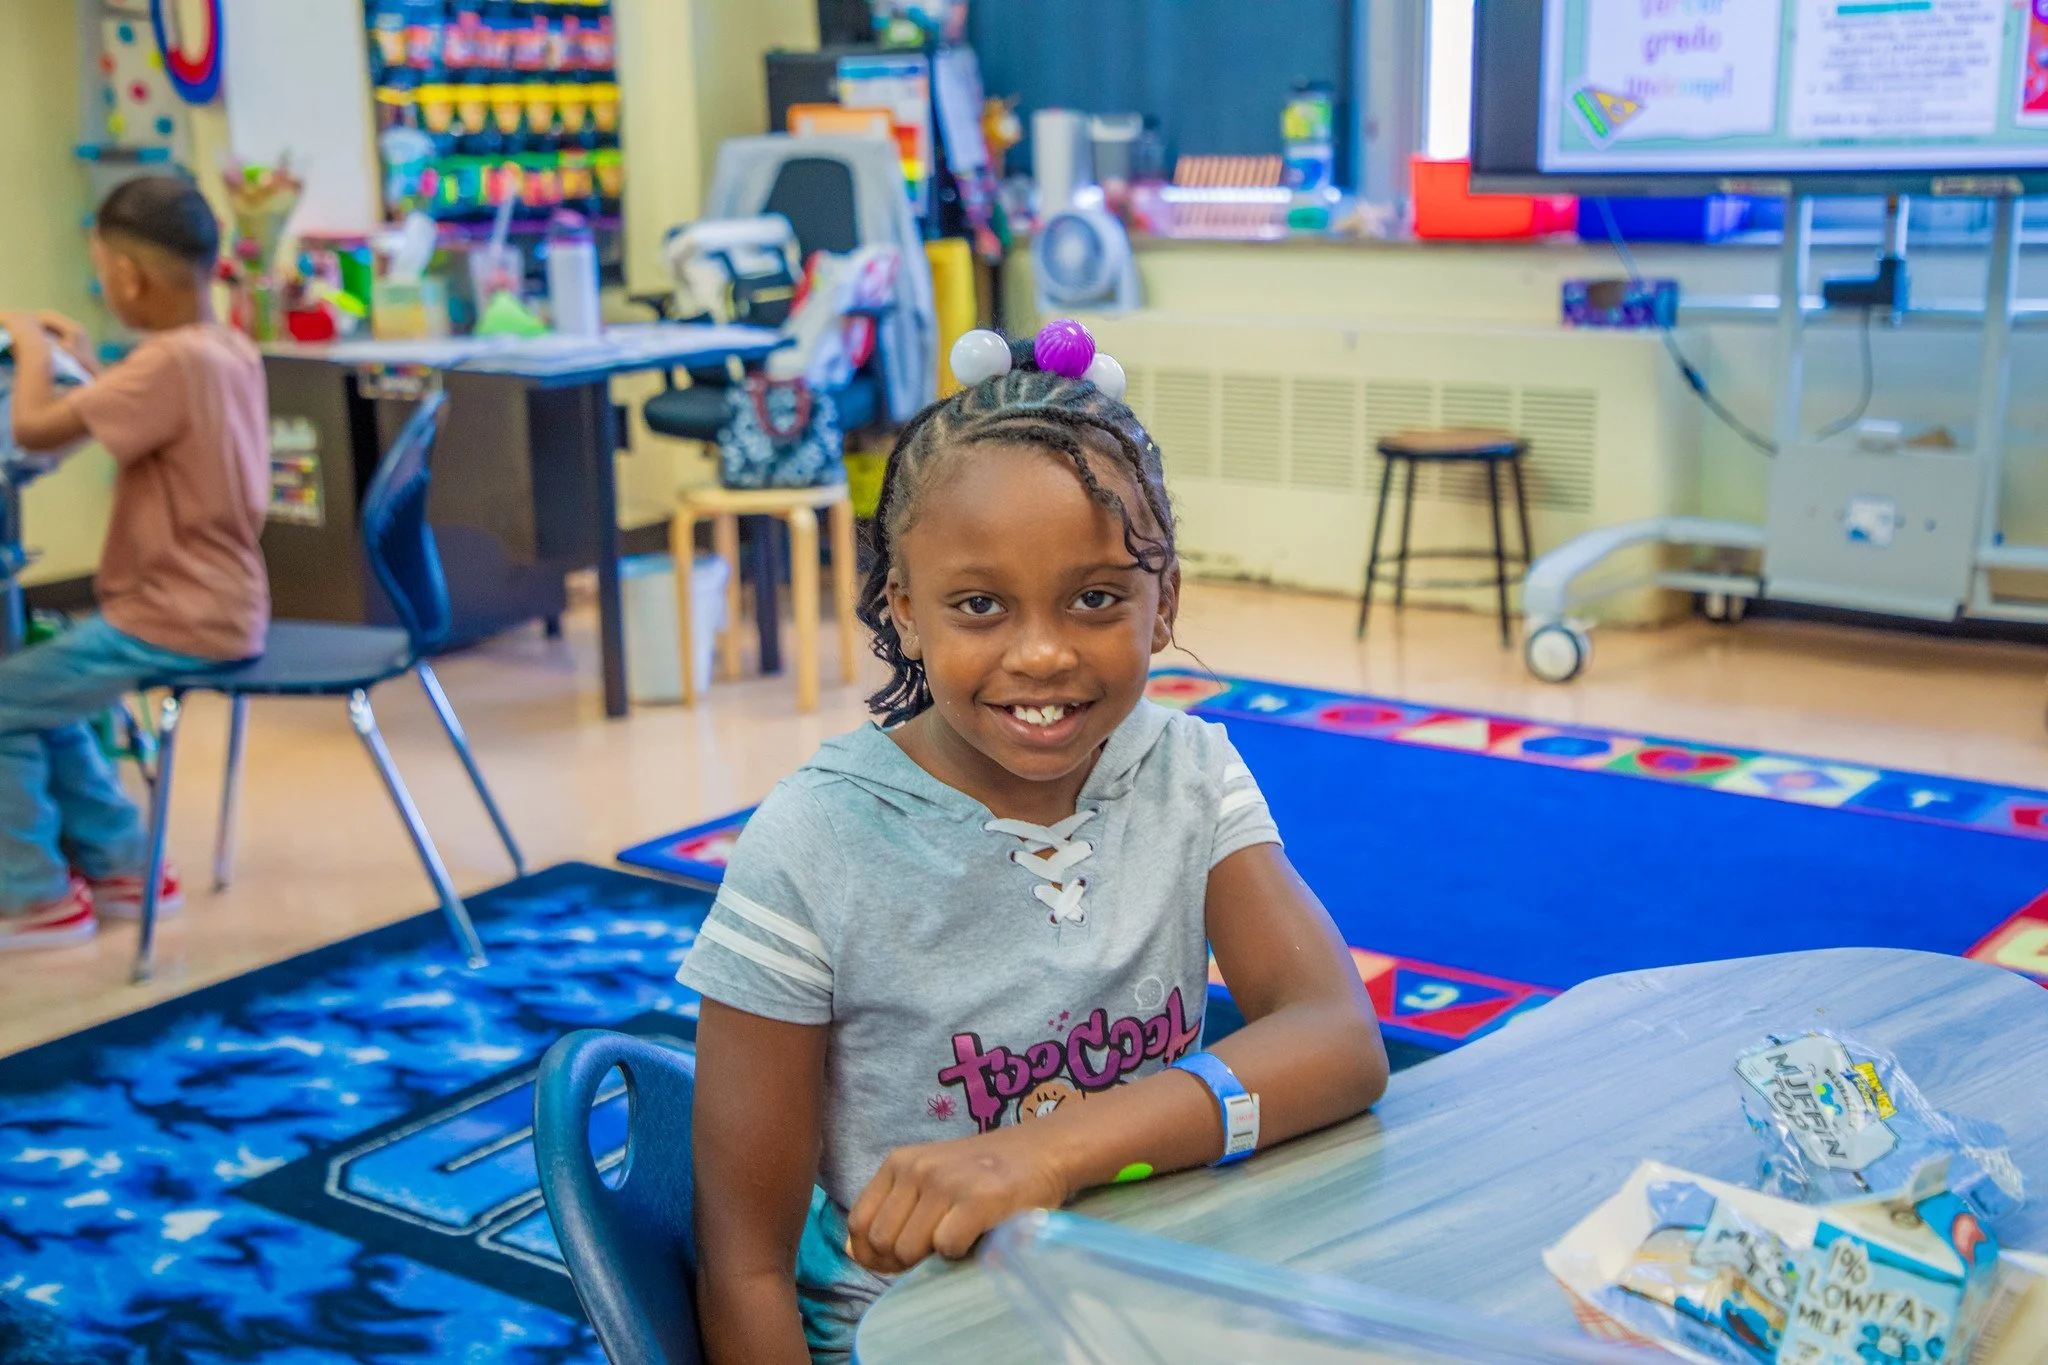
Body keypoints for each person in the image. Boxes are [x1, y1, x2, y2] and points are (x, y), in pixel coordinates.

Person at [678, 323, 1389, 1363]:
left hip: (1137, 1294)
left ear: (1163, 606)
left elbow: (1337, 1042)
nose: (1043, 653)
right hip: (911, 1335)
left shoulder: (1186, 775)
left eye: (1096, 599)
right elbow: (741, 1264)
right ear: (905, 611)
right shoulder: (812, 844)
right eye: (979, 606)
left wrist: (1041, 1156)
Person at [0, 174, 269, 951]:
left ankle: (32, 897)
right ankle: (127, 870)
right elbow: (110, 407)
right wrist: (74, 355)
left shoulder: (170, 362)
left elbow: (39, 429)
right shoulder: (221, 348)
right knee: (44, 689)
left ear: (125, 276)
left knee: (4, 701)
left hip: (171, 615)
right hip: (225, 603)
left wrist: (25, 347)